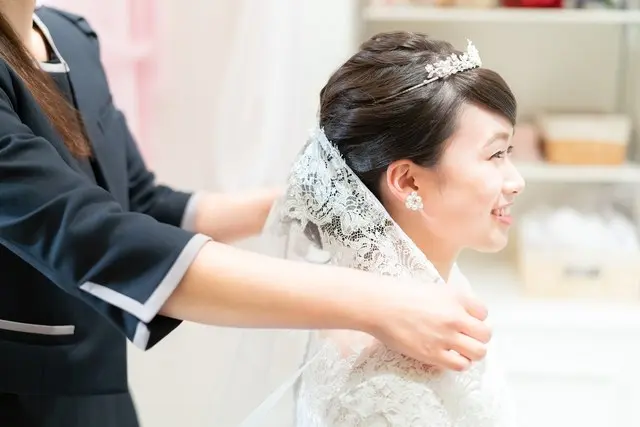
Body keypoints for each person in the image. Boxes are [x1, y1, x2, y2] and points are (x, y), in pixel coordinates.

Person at [0, 2, 493, 426]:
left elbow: (141, 204)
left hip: (102, 391)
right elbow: (96, 237)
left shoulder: (70, 36)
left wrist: (319, 197)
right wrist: (375, 303)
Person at [245, 32, 526, 426]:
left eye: (508, 152)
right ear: (408, 182)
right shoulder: (392, 389)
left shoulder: (427, 289)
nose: (516, 182)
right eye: (495, 154)